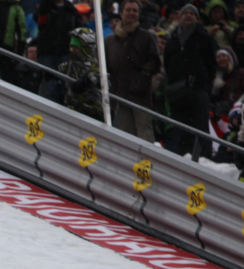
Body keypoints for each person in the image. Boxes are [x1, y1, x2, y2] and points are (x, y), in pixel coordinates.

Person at [164, 5, 219, 156]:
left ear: (196, 18)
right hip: (177, 92)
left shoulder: (205, 39)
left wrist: (203, 85)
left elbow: (211, 66)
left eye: (192, 13)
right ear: (179, 17)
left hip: (198, 91)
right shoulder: (172, 41)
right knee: (181, 132)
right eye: (185, 13)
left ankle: (205, 162)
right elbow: (167, 64)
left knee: (201, 131)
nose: (188, 15)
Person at [105, 0, 161, 141]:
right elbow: (104, 65)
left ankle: (147, 162)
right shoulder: (109, 41)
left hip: (140, 94)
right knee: (125, 136)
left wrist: (142, 76)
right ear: (122, 13)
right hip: (119, 94)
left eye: (135, 11)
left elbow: (155, 62)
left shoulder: (145, 36)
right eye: (128, 10)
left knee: (144, 133)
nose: (131, 13)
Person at [35, 0, 81, 103]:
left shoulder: (72, 11)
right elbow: (39, 21)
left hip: (65, 53)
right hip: (47, 53)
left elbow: (79, 30)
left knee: (66, 88)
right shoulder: (45, 7)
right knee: (50, 86)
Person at [59, 27, 106, 120]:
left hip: (92, 114)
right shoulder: (70, 65)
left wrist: (89, 81)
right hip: (72, 111)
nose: (72, 50)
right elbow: (59, 69)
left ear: (86, 48)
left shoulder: (96, 66)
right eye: (71, 46)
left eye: (76, 47)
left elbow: (104, 80)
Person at [213, 48, 244, 116]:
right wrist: (215, 89)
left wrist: (235, 104)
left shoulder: (241, 73)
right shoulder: (216, 76)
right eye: (218, 57)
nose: (221, 59)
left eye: (223, 56)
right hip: (221, 114)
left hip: (237, 112)